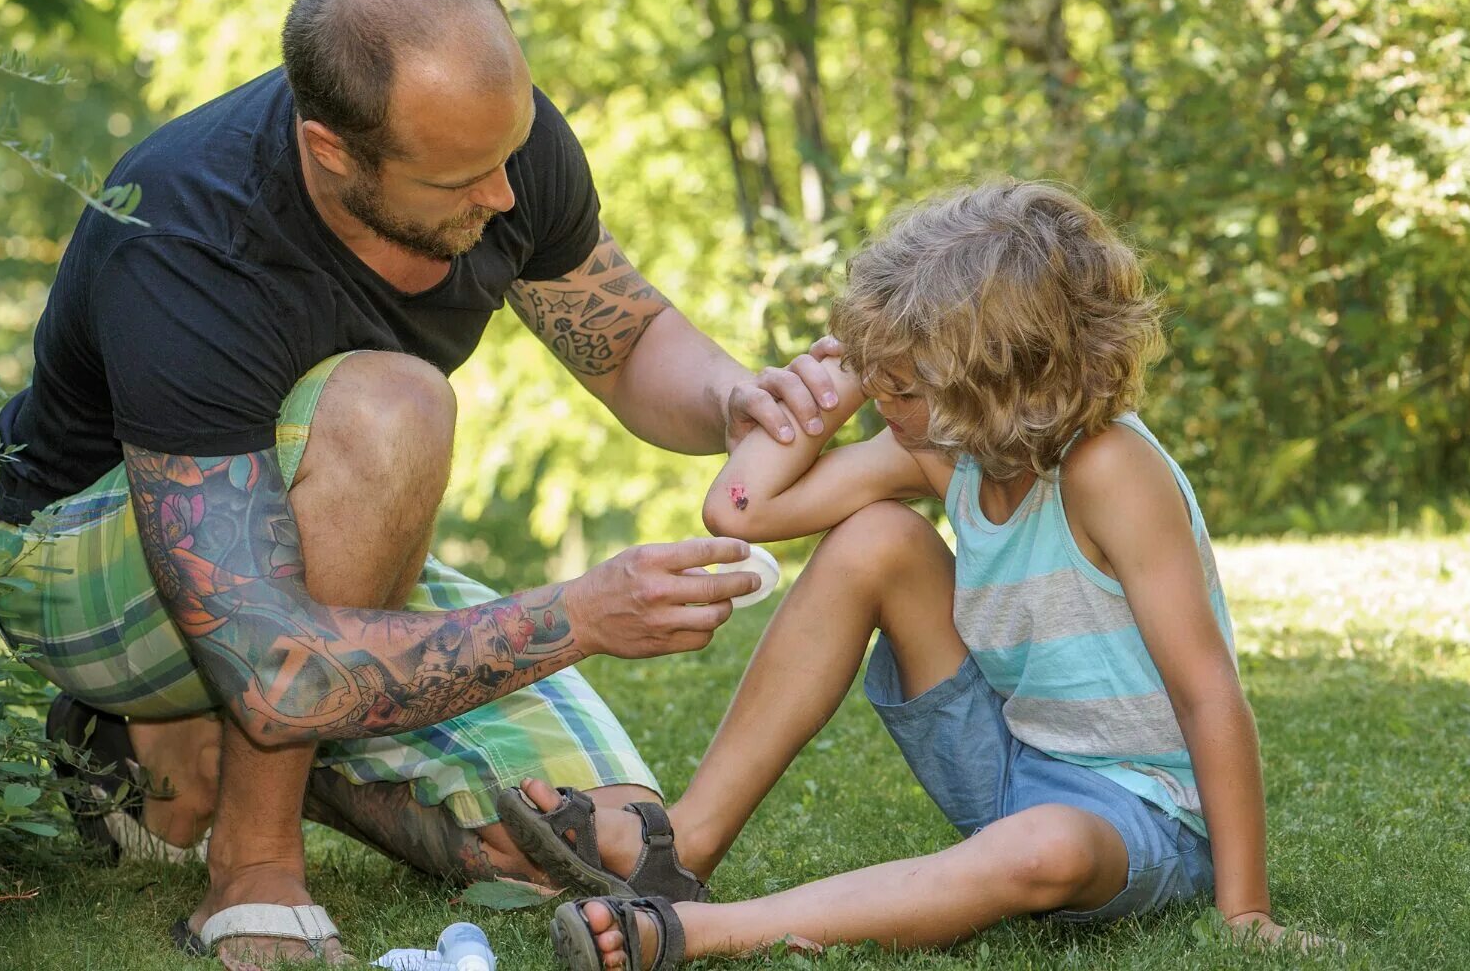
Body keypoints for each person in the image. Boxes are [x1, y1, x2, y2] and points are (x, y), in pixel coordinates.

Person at [0, 0, 840, 967]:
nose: (504, 197)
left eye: (508, 154)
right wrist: (582, 614)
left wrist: (733, 396)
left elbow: (623, 343)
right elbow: (272, 666)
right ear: (333, 150)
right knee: (394, 406)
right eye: (464, 178)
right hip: (100, 566)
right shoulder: (189, 230)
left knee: (609, 843)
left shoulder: (497, 143)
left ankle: (175, 759)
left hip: (303, 561)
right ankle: (252, 866)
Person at [500, 181, 1336, 968]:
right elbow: (741, 510)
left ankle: (696, 932)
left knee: (1046, 847)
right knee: (875, 539)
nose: (878, 404)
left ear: (997, 384)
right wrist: (817, 408)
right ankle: (679, 846)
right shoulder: (942, 448)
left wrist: (1246, 912)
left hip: (1138, 813)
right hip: (1012, 762)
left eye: (896, 386)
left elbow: (1207, 692)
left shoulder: (1110, 471)